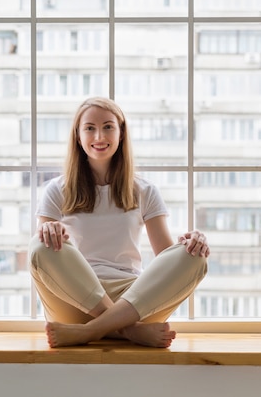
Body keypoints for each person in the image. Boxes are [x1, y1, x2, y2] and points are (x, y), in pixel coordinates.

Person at [29, 97, 209, 348]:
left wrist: (190, 244)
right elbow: (44, 256)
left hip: (132, 300)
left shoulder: (144, 190)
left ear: (121, 133)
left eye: (108, 126)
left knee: (194, 257)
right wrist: (47, 229)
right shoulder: (56, 190)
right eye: (89, 128)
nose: (99, 136)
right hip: (74, 297)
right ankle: (128, 331)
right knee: (39, 246)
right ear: (78, 136)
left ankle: (91, 331)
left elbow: (166, 257)